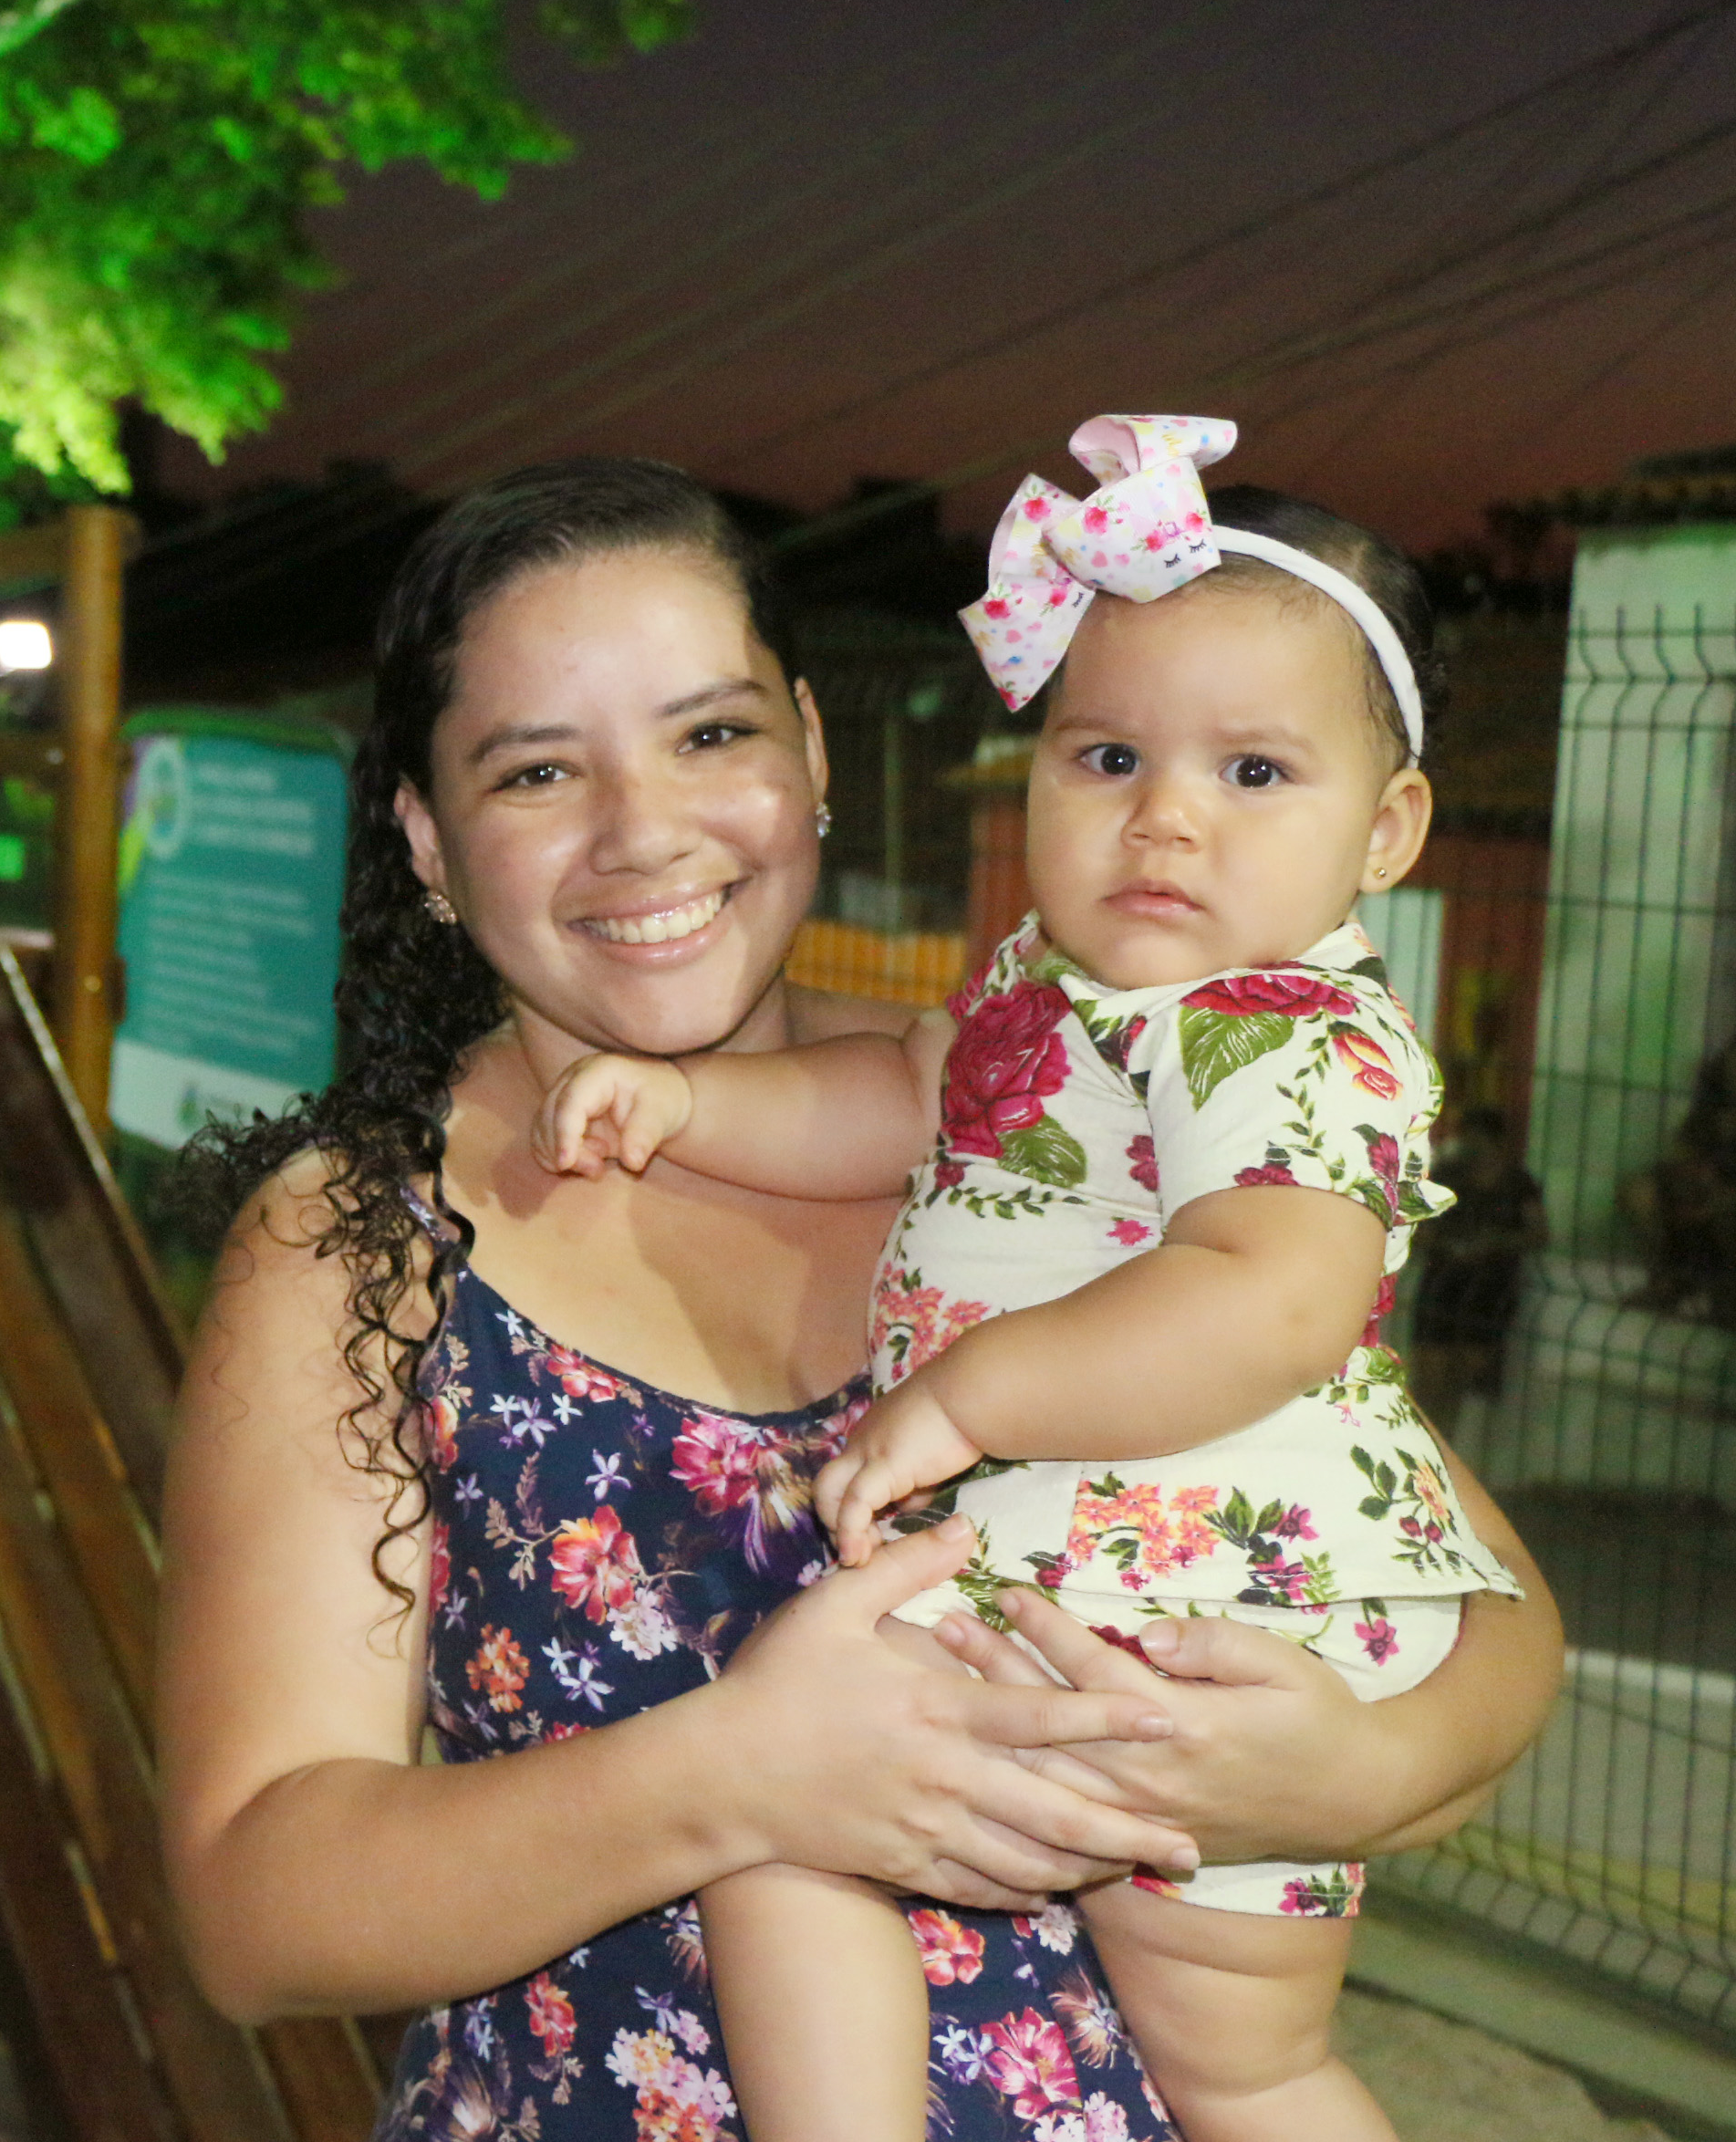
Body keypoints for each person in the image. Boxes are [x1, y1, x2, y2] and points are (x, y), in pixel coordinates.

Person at [156, 457, 1563, 2142]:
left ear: (811, 756)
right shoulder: (363, 1244)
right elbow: (254, 1912)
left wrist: (1353, 1775)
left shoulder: (1048, 1120)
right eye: (536, 769)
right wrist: (730, 1775)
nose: (642, 829)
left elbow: (1477, 1605)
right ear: (428, 843)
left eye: (709, 734)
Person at [533, 421, 1523, 2142]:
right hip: (1058, 1602)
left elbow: (1270, 1299)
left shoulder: (1285, 1037)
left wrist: (961, 1396)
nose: (1162, 819)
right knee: (788, 1838)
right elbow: (903, 1104)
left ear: (1389, 831)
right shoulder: (1048, 994)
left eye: (1252, 774)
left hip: (1201, 1630)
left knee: (1243, 2061)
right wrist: (695, 1102)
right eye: (1106, 753)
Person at [1621, 1036, 1736, 1329]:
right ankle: (1665, 1279)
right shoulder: (1706, 1116)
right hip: (1699, 1191)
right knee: (1639, 1191)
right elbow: (1681, 1157)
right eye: (1731, 1068)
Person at [1408, 1107, 1545, 1431]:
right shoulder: (1448, 1175)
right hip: (1444, 1282)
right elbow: (1422, 1227)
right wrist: (1446, 1243)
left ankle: (1446, 1449)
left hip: (1489, 1289)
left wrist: (1495, 1243)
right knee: (1429, 1378)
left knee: (1463, 1379)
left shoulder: (1518, 1183)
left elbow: (1539, 1233)